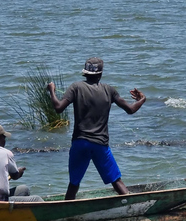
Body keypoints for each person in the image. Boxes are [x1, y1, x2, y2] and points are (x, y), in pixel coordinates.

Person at [47, 57, 146, 200]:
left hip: (80, 143)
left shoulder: (76, 87)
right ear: (100, 74)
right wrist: (142, 100)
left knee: (73, 184)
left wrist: (52, 91)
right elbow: (130, 110)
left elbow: (58, 108)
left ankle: (66, 212)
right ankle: (132, 204)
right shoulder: (109, 90)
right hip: (100, 144)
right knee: (116, 181)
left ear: (85, 73)